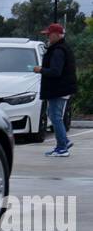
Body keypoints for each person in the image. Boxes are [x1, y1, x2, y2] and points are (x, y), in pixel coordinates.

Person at [34, 23, 77, 156]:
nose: (47, 36)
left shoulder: (58, 50)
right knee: (53, 115)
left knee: (56, 117)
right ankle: (64, 142)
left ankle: (62, 148)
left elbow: (55, 72)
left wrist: (41, 69)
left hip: (58, 90)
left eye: (49, 34)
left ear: (57, 35)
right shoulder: (61, 48)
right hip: (60, 89)